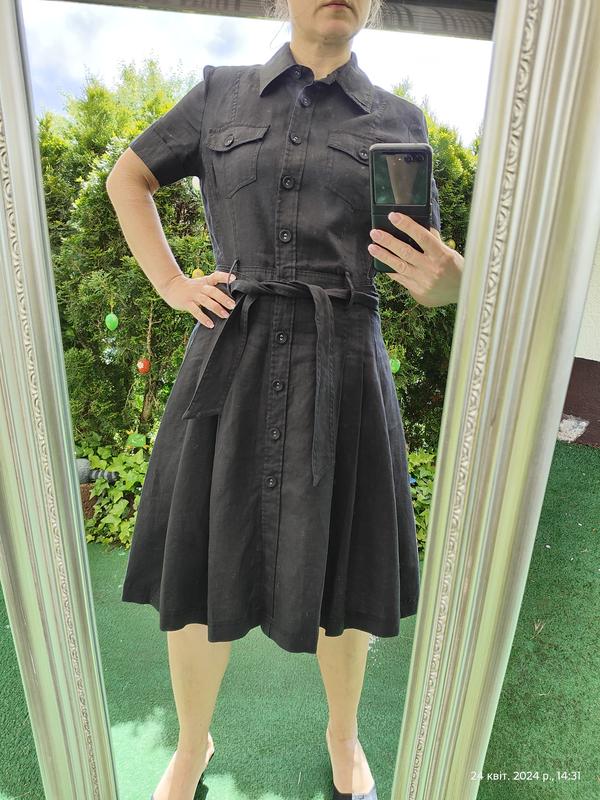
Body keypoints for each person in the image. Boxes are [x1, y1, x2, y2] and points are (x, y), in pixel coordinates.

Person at [106, 1, 463, 798]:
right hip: (229, 357)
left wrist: (455, 284)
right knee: (201, 560)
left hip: (345, 364)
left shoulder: (397, 122)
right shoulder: (219, 95)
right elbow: (128, 178)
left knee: (345, 566)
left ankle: (344, 735)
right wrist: (171, 283)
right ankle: (191, 745)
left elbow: (423, 272)